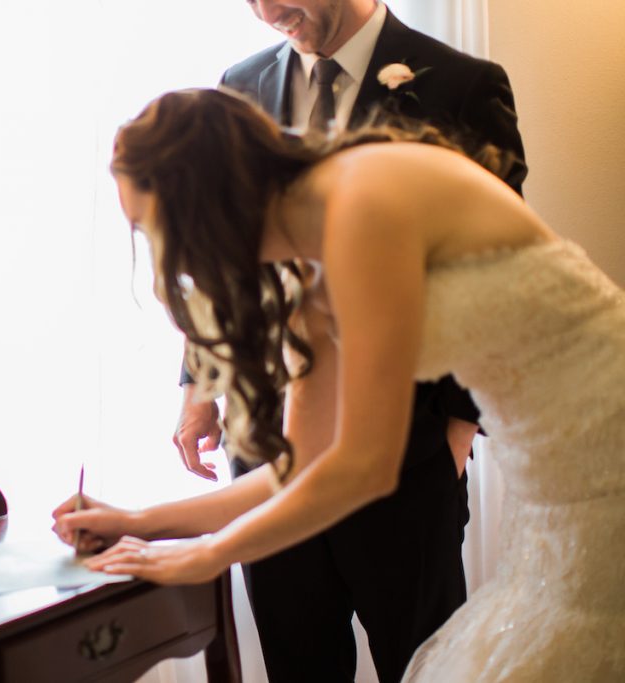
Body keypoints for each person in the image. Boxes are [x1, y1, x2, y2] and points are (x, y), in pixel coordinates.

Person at [53, 88, 624, 682]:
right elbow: (297, 469)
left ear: (204, 201)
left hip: (610, 433)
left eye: (154, 230)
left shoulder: (359, 201)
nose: (168, 259)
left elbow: (365, 465)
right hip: (551, 471)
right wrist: (140, 523)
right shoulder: (308, 265)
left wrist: (208, 555)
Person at [169, 2, 526, 680]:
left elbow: (494, 272)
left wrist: (454, 432)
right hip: (269, 455)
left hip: (405, 460)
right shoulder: (238, 87)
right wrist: (200, 385)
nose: (268, 10)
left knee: (426, 667)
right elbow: (224, 257)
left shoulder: (460, 85)